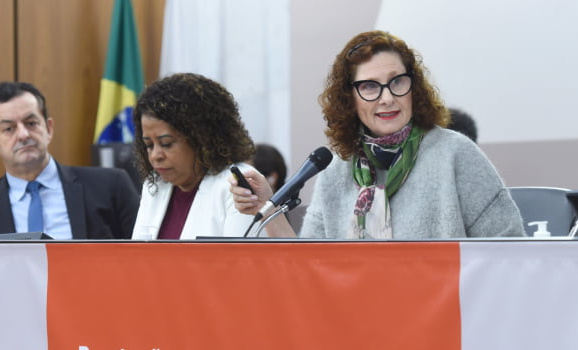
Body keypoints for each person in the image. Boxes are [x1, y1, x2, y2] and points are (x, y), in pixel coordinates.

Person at [232, 31, 525, 238]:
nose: (387, 98)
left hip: (445, 318)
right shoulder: (336, 169)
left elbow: (509, 249)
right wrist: (266, 206)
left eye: (397, 82)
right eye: (370, 86)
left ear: (414, 87)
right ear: (350, 98)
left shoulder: (455, 154)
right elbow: (309, 265)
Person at [131, 73, 278, 239]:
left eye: (166, 143)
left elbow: (240, 262)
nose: (155, 156)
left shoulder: (237, 186)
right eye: (149, 145)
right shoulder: (154, 186)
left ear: (202, 139)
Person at [0, 82, 139, 239]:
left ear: (49, 128)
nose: (23, 134)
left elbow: (146, 255)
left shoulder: (111, 185)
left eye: (31, 123)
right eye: (9, 128)